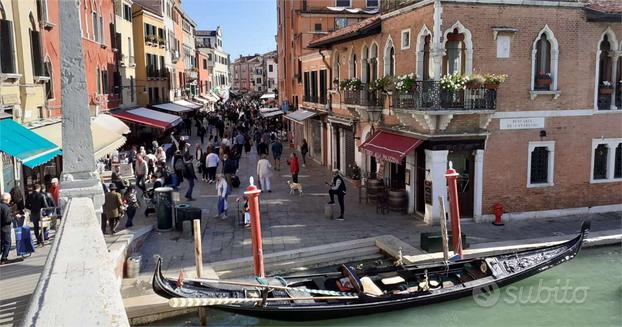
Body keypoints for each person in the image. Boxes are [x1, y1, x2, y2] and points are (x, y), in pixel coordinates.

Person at [0, 193, 20, 265]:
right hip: (5, 228)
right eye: (10, 199)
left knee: (2, 243)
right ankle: (4, 258)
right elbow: (7, 220)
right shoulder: (6, 207)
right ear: (7, 199)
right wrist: (14, 217)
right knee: (7, 243)